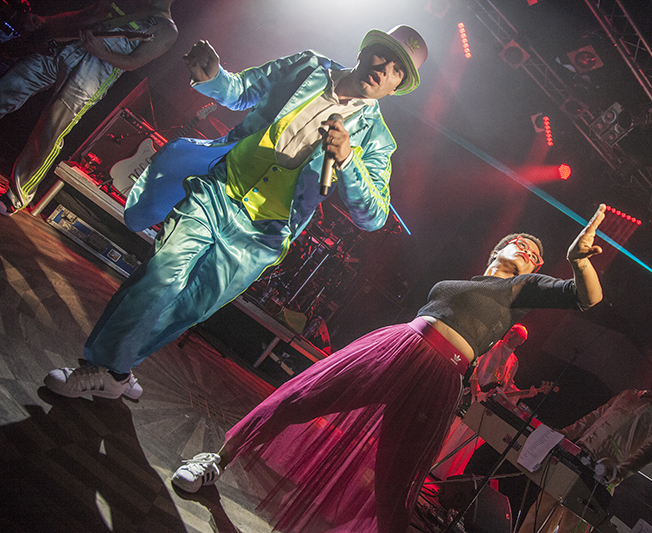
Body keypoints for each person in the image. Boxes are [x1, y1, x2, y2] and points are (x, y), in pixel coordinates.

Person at [42, 25, 428, 400]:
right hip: (220, 189)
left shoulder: (377, 139)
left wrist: (347, 160)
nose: (384, 70)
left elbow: (373, 215)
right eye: (383, 56)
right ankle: (103, 367)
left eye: (397, 70)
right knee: (161, 275)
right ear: (364, 50)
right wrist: (213, 77)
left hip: (262, 235)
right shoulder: (308, 66)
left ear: (397, 88)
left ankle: (118, 369)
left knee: (189, 307)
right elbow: (242, 90)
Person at [168, 205, 607, 533]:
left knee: (395, 484)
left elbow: (586, 297)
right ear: (498, 249)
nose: (529, 253)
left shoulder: (522, 289)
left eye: (535, 256)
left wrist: (579, 260)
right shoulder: (464, 282)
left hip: (439, 379)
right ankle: (216, 461)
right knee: (298, 398)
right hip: (399, 347)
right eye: (522, 244)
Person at [0, 0, 178, 215]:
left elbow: (134, 63)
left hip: (94, 72)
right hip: (67, 48)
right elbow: (85, 16)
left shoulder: (166, 28)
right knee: (8, 86)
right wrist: (46, 21)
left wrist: (100, 51)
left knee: (51, 129)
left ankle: (17, 195)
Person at [519, 360, 652, 533]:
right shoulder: (630, 394)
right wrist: (563, 434)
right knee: (541, 509)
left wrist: (619, 472)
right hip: (578, 455)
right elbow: (594, 416)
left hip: (602, 474)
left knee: (571, 527)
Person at [431, 323, 528, 481]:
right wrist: (474, 382)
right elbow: (475, 362)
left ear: (521, 342)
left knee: (463, 439)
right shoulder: (492, 345)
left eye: (516, 336)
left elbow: (506, 386)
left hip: (485, 403)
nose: (511, 336)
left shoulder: (514, 362)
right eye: (511, 332)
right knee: (450, 427)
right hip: (471, 394)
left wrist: (524, 393)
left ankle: (443, 472)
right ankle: (430, 460)